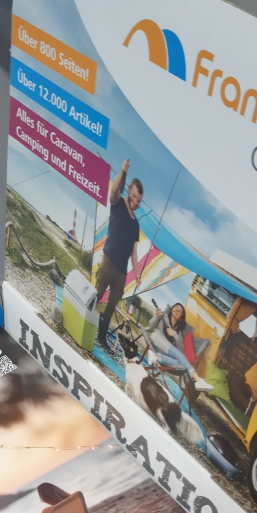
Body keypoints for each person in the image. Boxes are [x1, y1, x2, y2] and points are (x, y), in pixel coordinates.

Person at [95, 159, 143, 350]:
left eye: (139, 200)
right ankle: (81, 317)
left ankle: (101, 336)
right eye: (134, 197)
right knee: (97, 294)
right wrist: (123, 172)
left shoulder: (136, 224)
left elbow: (134, 250)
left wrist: (137, 273)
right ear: (129, 190)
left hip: (122, 272)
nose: (136, 202)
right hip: (108, 261)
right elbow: (114, 191)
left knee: (111, 304)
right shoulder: (118, 204)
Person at [146, 303, 214, 392]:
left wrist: (174, 334)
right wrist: (156, 316)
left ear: (180, 318)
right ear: (171, 309)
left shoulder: (179, 332)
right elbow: (151, 327)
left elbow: (181, 350)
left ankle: (156, 357)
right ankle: (198, 380)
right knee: (181, 358)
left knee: (181, 363)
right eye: (176, 307)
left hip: (165, 353)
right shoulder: (163, 316)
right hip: (156, 340)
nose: (177, 310)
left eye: (180, 311)